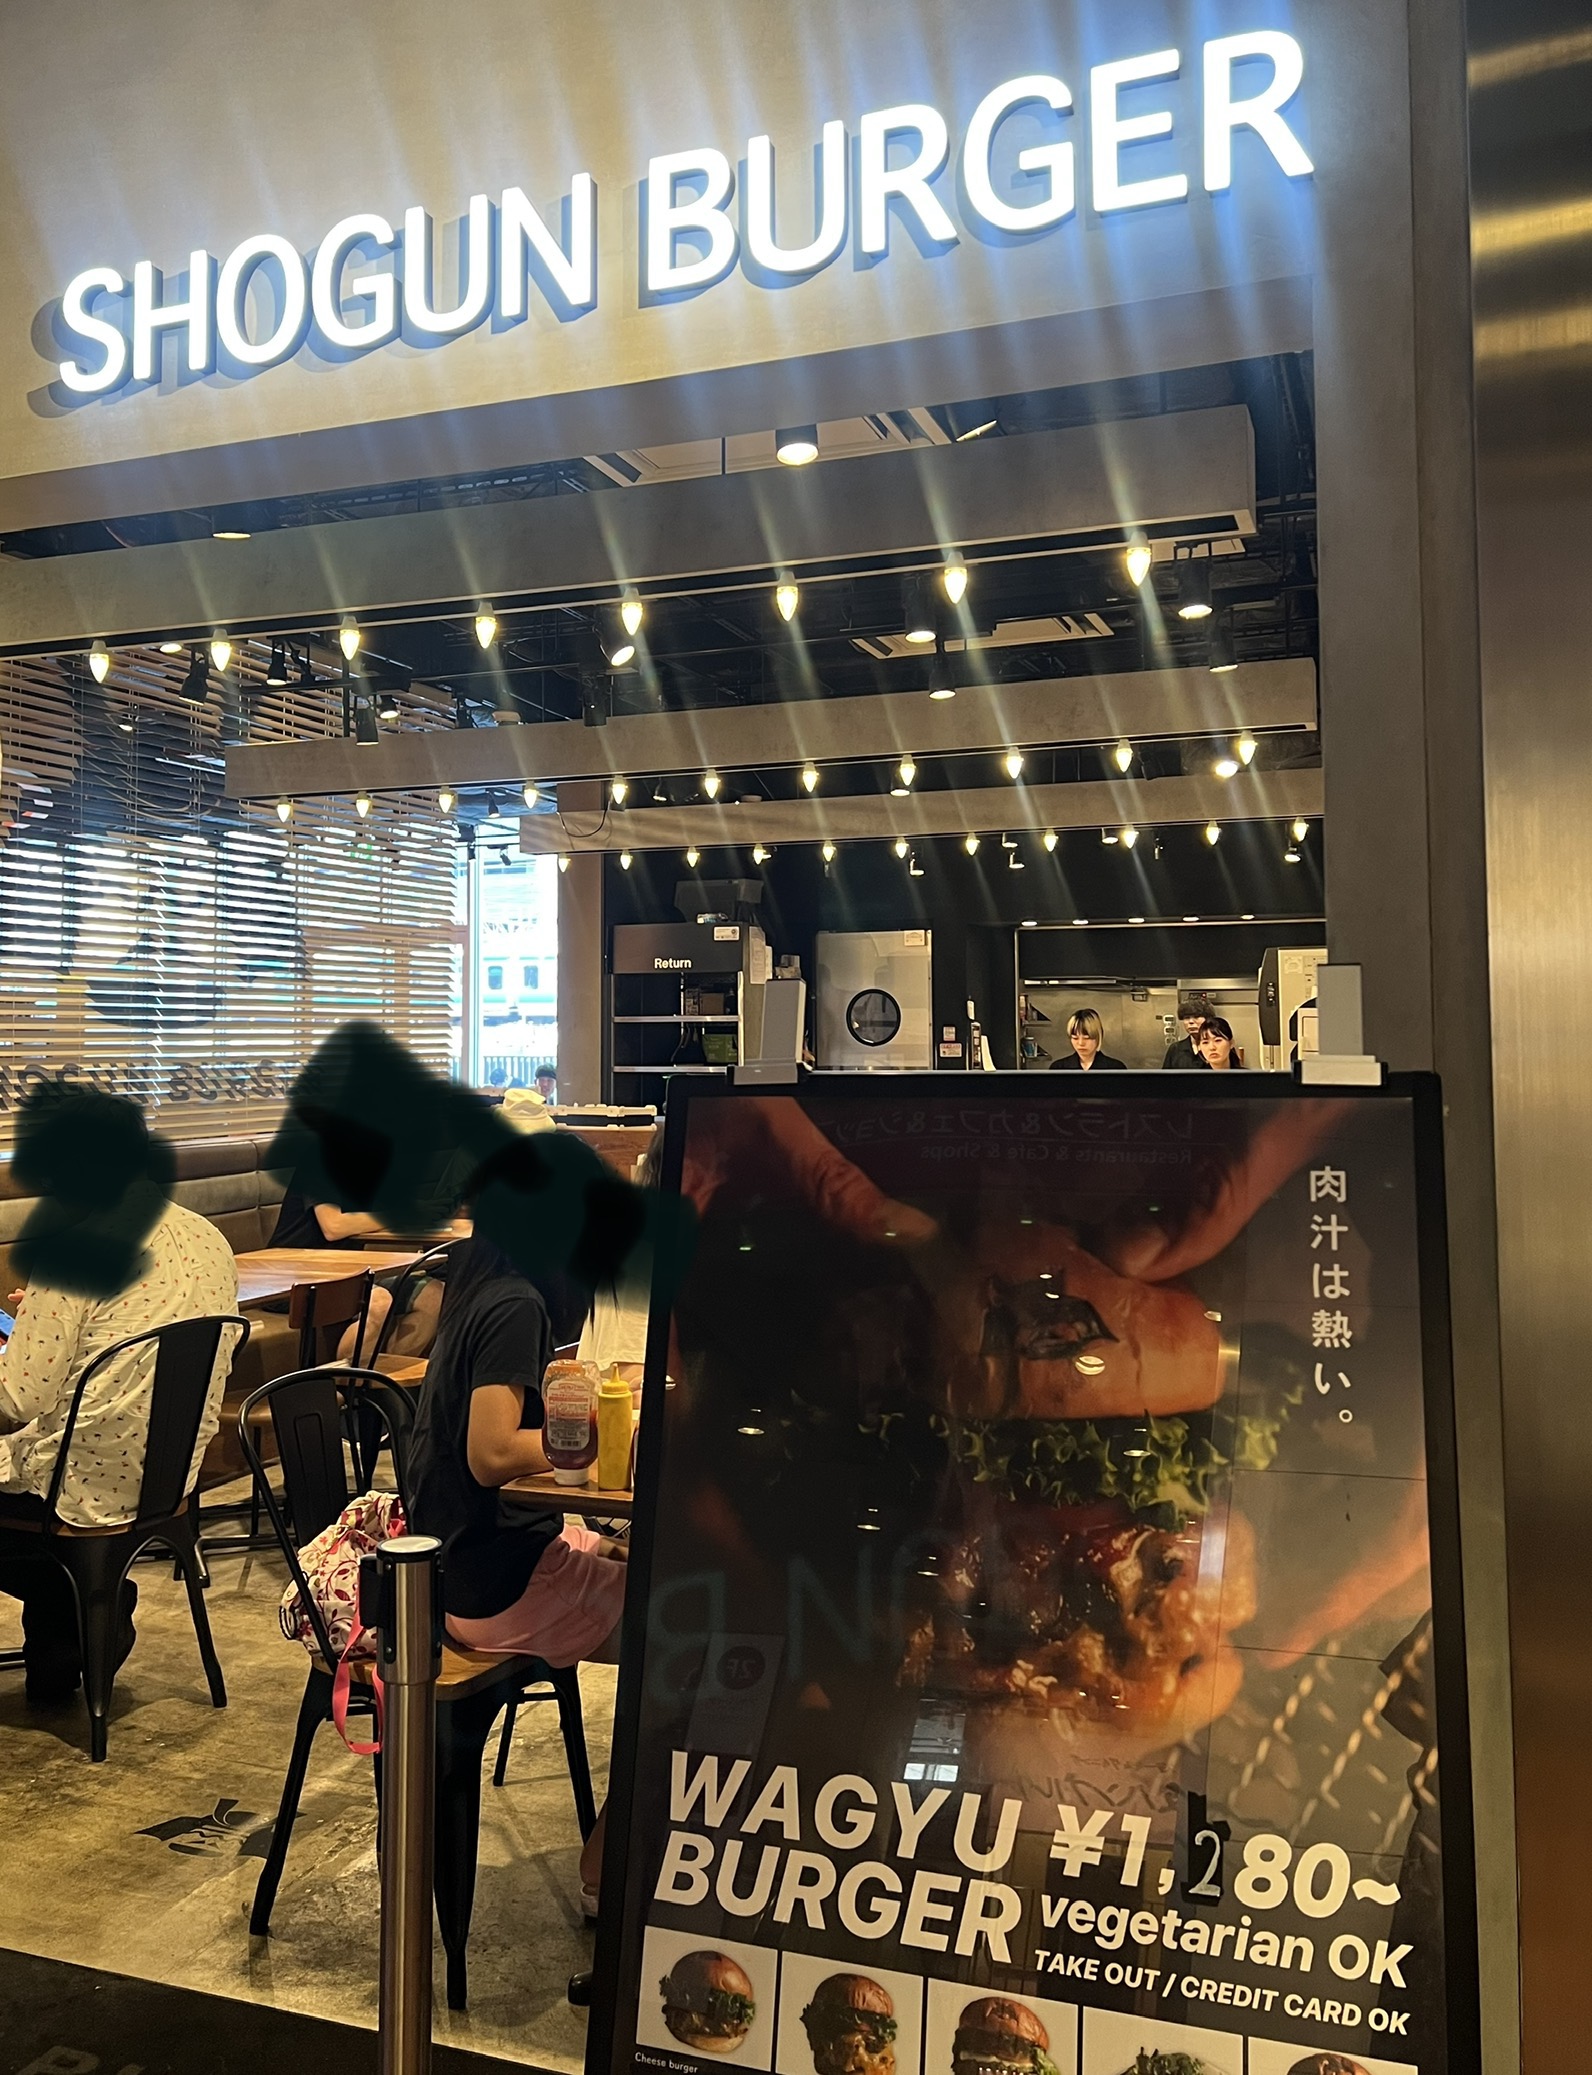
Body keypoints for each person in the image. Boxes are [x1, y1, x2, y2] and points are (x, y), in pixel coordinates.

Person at [409, 1230, 626, 1910]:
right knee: (703, 1635)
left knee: (631, 1557)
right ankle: (612, 1867)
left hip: (461, 1567)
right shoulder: (516, 1304)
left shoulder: (482, 1288)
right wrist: (600, 1431)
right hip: (499, 1583)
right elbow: (492, 1453)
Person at [0, 1085, 238, 1703]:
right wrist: (47, 1321)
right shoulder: (207, 1236)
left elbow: (16, 1401)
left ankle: (72, 1611)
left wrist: (34, 1331)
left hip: (78, 1486)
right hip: (167, 1475)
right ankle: (73, 1628)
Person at [1049, 1008, 1126, 1071]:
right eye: (1075, 1038)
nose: (1081, 1043)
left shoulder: (1115, 1068)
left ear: (1098, 1037)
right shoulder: (1058, 1068)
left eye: (1087, 1038)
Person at [1162, 998, 1211, 1069]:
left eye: (1196, 1017)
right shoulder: (1176, 1049)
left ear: (1208, 1019)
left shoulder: (1216, 1047)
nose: (1191, 1022)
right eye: (1187, 1017)